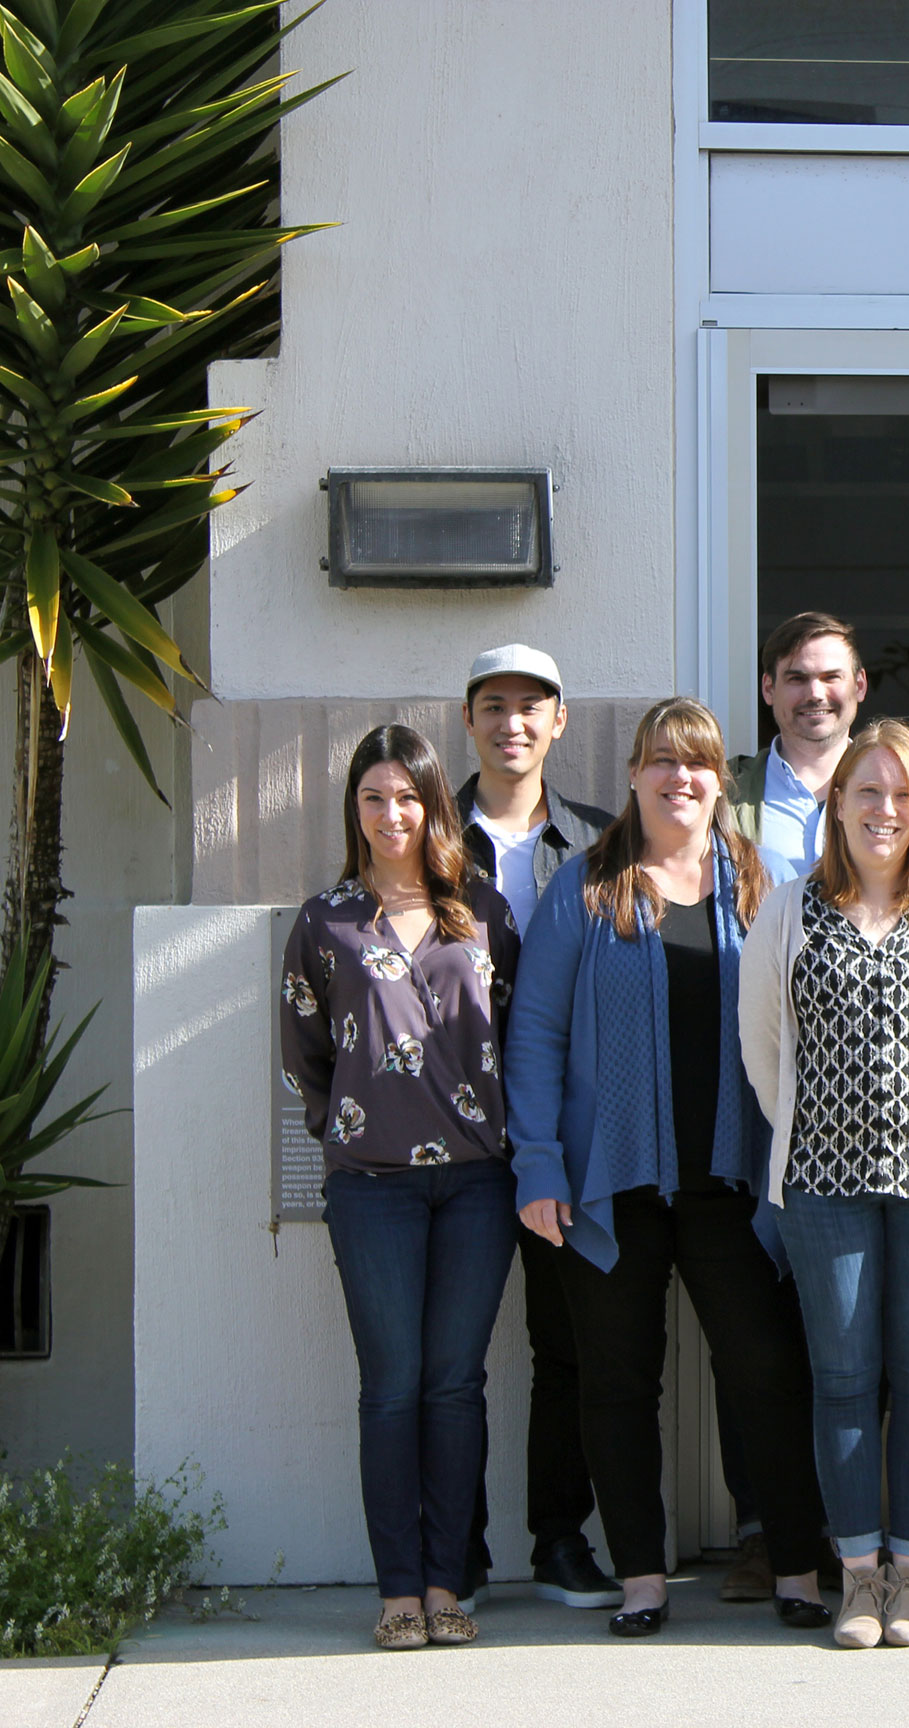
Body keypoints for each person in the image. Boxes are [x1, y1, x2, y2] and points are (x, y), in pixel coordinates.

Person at [508, 698, 829, 1639]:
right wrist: (536, 1165)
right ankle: (642, 1575)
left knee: (767, 1371)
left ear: (717, 781)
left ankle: (798, 1566)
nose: (680, 779)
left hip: (730, 1182)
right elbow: (533, 1034)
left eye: (697, 764)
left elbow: (797, 1027)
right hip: (611, 1184)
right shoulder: (587, 886)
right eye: (662, 762)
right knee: (617, 1382)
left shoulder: (759, 883)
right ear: (637, 776)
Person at [740, 719, 909, 1651]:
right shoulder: (789, 909)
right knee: (844, 1378)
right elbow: (763, 1048)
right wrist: (827, 1125)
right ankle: (857, 1579)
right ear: (838, 805)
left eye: (901, 794)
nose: (884, 810)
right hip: (822, 1179)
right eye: (866, 792)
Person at [281, 725, 520, 1651]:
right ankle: (396, 1591)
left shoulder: (484, 914)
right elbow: (306, 1054)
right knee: (391, 1387)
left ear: (433, 805)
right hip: (372, 1189)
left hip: (476, 1186)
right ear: (355, 808)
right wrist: (353, 1125)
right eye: (373, 797)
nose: (391, 815)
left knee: (455, 1386)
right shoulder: (324, 921)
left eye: (407, 797)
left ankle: (448, 1580)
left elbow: (515, 1036)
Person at [450, 644, 618, 1614]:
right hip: (457, 1140)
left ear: (560, 721)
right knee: (453, 1359)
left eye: (532, 706)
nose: (513, 722)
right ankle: (457, 1557)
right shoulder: (428, 838)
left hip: (565, 1137)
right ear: (469, 720)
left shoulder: (599, 846)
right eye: (494, 705)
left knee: (572, 1348)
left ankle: (561, 1540)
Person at [727, 612, 869, 878]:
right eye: (797, 679)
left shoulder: (900, 794)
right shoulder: (723, 794)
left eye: (830, 677)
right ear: (768, 688)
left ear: (860, 685)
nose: (815, 694)